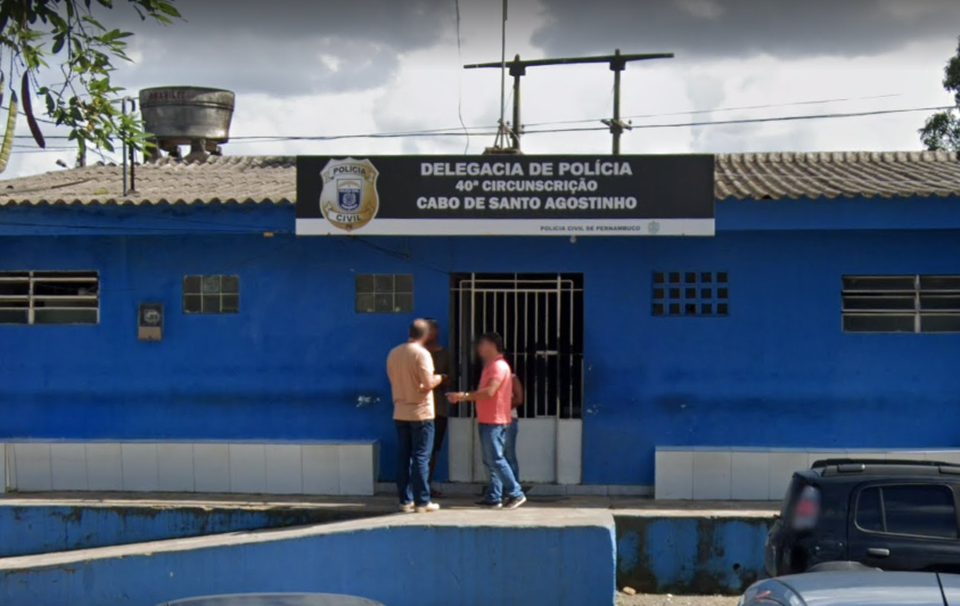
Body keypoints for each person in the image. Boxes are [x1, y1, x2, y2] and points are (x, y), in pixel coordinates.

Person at [448, 333, 526, 510]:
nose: (478, 348)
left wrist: (464, 396)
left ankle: (516, 493)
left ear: (491, 345)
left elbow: (490, 392)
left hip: (495, 421)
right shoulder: (490, 366)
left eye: (481, 344)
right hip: (487, 419)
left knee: (496, 459)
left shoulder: (499, 366)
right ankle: (494, 496)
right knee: (490, 460)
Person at [386, 319, 445, 513]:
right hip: (421, 413)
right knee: (421, 457)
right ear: (426, 335)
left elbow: (393, 378)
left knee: (404, 456)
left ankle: (405, 500)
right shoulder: (422, 354)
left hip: (400, 411)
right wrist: (440, 378)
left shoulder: (394, 353)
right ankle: (423, 501)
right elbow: (427, 383)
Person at [424, 318, 453, 493]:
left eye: (434, 328)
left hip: (438, 408)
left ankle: (426, 485)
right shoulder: (414, 353)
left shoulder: (444, 354)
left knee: (433, 450)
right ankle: (417, 486)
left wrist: (439, 379)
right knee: (418, 450)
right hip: (417, 409)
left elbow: (451, 379)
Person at [505, 372, 523, 482]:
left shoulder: (511, 377)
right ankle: (497, 491)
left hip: (508, 420)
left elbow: (519, 399)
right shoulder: (487, 376)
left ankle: (513, 490)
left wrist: (499, 408)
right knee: (494, 458)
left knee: (509, 455)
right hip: (492, 421)